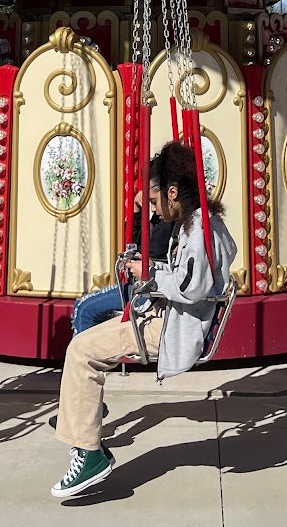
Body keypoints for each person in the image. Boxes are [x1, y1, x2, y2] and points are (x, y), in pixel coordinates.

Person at [49, 140, 237, 500]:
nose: (152, 208)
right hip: (169, 317)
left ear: (172, 193)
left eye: (154, 201)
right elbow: (194, 277)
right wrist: (154, 269)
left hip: (171, 328)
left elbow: (191, 288)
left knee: (82, 353)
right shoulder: (203, 223)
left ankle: (88, 452)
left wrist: (150, 274)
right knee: (82, 342)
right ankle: (83, 430)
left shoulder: (198, 232)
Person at [71, 175, 174, 335]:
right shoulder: (162, 219)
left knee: (84, 309)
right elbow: (137, 243)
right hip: (147, 286)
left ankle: (83, 349)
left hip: (152, 292)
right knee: (83, 306)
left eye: (154, 201)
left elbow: (153, 253)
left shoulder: (172, 223)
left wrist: (148, 266)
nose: (153, 208)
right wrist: (137, 209)